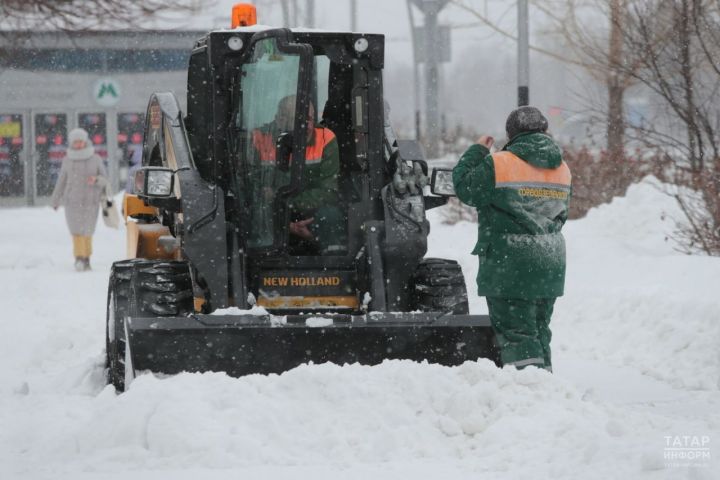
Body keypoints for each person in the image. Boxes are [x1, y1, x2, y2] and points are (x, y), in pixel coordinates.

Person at [452, 106, 572, 371]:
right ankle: (545, 384)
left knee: (517, 332)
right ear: (545, 132)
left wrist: (477, 151)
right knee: (539, 329)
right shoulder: (562, 167)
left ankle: (530, 390)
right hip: (549, 260)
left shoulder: (500, 163)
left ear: (511, 134)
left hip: (511, 261)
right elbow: (562, 214)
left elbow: (465, 189)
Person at [250, 95, 345, 254]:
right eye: (298, 120)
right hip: (270, 212)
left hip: (308, 210)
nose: (306, 126)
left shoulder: (325, 139)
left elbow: (328, 192)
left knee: (330, 216)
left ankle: (330, 265)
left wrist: (287, 202)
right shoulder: (259, 139)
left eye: (309, 119)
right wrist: (285, 224)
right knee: (254, 213)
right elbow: (250, 187)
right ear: (280, 119)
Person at [51, 128, 111, 271]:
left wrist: (96, 179)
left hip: (91, 202)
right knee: (76, 231)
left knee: (88, 231)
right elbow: (61, 181)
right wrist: (55, 199)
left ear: (86, 141)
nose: (79, 144)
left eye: (81, 141)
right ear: (72, 143)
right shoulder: (67, 159)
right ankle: (79, 258)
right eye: (76, 142)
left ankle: (87, 258)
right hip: (72, 202)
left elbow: (106, 180)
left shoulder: (95, 159)